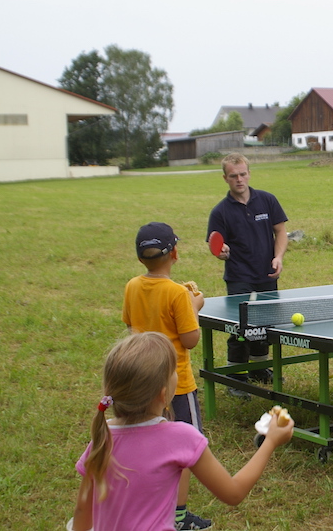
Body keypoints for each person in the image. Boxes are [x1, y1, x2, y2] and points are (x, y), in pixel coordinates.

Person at [71, 332, 293, 531]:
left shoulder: (102, 437)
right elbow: (233, 493)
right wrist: (270, 441)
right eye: (174, 370)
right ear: (163, 394)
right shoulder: (181, 437)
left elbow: (82, 512)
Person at [122, 222, 210, 530]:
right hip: (178, 386)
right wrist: (194, 305)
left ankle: (151, 504)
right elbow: (190, 339)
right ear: (175, 253)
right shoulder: (177, 293)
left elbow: (131, 327)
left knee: (151, 443)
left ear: (140, 258)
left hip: (144, 382)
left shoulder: (132, 286)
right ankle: (179, 517)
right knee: (184, 450)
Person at [207, 153, 288, 399]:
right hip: (239, 276)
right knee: (240, 328)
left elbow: (280, 232)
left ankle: (259, 368)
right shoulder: (220, 212)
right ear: (225, 178)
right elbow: (216, 246)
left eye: (243, 174)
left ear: (249, 173)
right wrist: (222, 253)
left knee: (265, 325)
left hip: (266, 273)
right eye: (233, 176)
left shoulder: (267, 200)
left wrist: (278, 256)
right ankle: (236, 376)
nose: (239, 179)